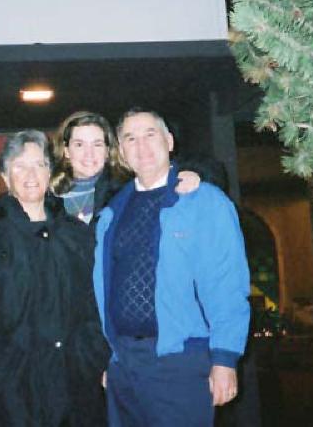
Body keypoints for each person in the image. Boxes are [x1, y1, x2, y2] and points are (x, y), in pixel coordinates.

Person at [93, 108, 251, 427]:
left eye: (150, 135)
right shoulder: (111, 213)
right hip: (124, 364)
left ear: (169, 141)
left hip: (181, 361)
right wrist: (112, 357)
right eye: (130, 139)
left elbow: (227, 283)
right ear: (122, 152)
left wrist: (224, 358)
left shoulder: (205, 202)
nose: (141, 146)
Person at [0, 130, 107, 426]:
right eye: (19, 166)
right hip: (11, 394)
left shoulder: (76, 235)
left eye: (39, 164)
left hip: (74, 388)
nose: (31, 174)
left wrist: (90, 357)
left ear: (49, 172)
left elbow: (98, 301)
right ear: (5, 176)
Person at [50, 110, 200, 225]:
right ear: (66, 151)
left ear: (108, 151)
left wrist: (189, 174)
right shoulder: (48, 195)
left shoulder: (125, 191)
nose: (89, 153)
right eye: (79, 144)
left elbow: (161, 170)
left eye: (97, 144)